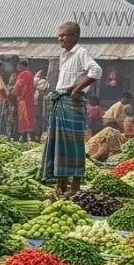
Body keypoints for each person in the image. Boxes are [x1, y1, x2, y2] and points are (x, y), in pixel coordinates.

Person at [41, 21, 101, 197]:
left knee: (73, 145)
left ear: (75, 36)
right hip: (61, 100)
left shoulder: (81, 53)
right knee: (59, 145)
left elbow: (96, 71)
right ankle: (61, 185)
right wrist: (70, 88)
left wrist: (76, 89)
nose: (61, 38)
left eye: (65, 35)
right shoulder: (63, 55)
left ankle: (75, 186)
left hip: (72, 103)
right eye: (59, 35)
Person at [14, 59, 36, 142]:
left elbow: (17, 89)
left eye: (19, 66)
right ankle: (32, 137)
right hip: (30, 100)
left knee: (23, 118)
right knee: (30, 118)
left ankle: (24, 138)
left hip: (23, 100)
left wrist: (13, 94)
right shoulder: (31, 75)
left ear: (21, 66)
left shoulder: (21, 75)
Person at [5, 72, 19, 139]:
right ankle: (10, 135)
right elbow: (9, 95)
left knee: (14, 120)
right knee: (11, 120)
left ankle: (13, 134)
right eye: (14, 77)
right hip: (11, 105)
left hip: (14, 105)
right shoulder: (10, 87)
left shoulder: (13, 86)